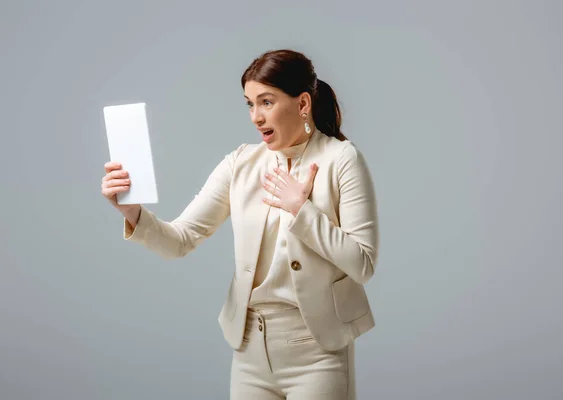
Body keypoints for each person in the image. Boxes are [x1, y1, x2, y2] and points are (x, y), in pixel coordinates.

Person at [101, 49, 379, 399]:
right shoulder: (241, 164)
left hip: (317, 353)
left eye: (267, 102)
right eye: (250, 104)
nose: (256, 117)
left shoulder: (341, 159)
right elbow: (180, 240)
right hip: (250, 351)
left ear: (302, 103)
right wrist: (132, 212)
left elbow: (363, 263)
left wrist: (301, 211)